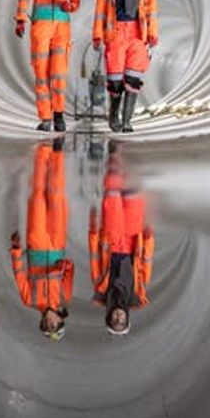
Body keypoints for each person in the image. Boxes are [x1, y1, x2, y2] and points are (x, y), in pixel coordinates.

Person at [15, 0, 80, 132]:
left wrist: (69, 6)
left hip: (62, 28)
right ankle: (45, 117)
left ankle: (59, 114)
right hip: (41, 27)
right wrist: (20, 19)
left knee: (58, 73)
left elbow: (76, 1)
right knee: (41, 73)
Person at [92, 0, 158, 132]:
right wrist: (97, 35)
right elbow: (100, 10)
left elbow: (151, 8)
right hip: (116, 32)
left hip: (137, 33)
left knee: (133, 77)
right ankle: (114, 115)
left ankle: (127, 120)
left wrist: (153, 33)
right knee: (115, 80)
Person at [9, 138, 73, 340]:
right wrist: (64, 266)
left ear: (42, 322)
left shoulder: (29, 299)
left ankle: (43, 152)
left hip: (36, 247)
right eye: (55, 324)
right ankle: (57, 153)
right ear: (61, 320)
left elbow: (19, 274)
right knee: (55, 196)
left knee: (37, 197)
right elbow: (69, 270)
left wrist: (16, 250)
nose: (50, 322)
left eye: (47, 325)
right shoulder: (65, 297)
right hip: (56, 244)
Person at [87, 142, 154, 335]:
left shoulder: (101, 289)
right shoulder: (137, 292)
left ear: (109, 316)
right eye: (122, 320)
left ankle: (115, 153)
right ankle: (131, 153)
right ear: (126, 316)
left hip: (112, 238)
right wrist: (149, 237)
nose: (118, 317)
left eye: (114, 320)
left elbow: (94, 257)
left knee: (113, 191)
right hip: (133, 239)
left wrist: (93, 229)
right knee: (132, 193)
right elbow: (146, 262)